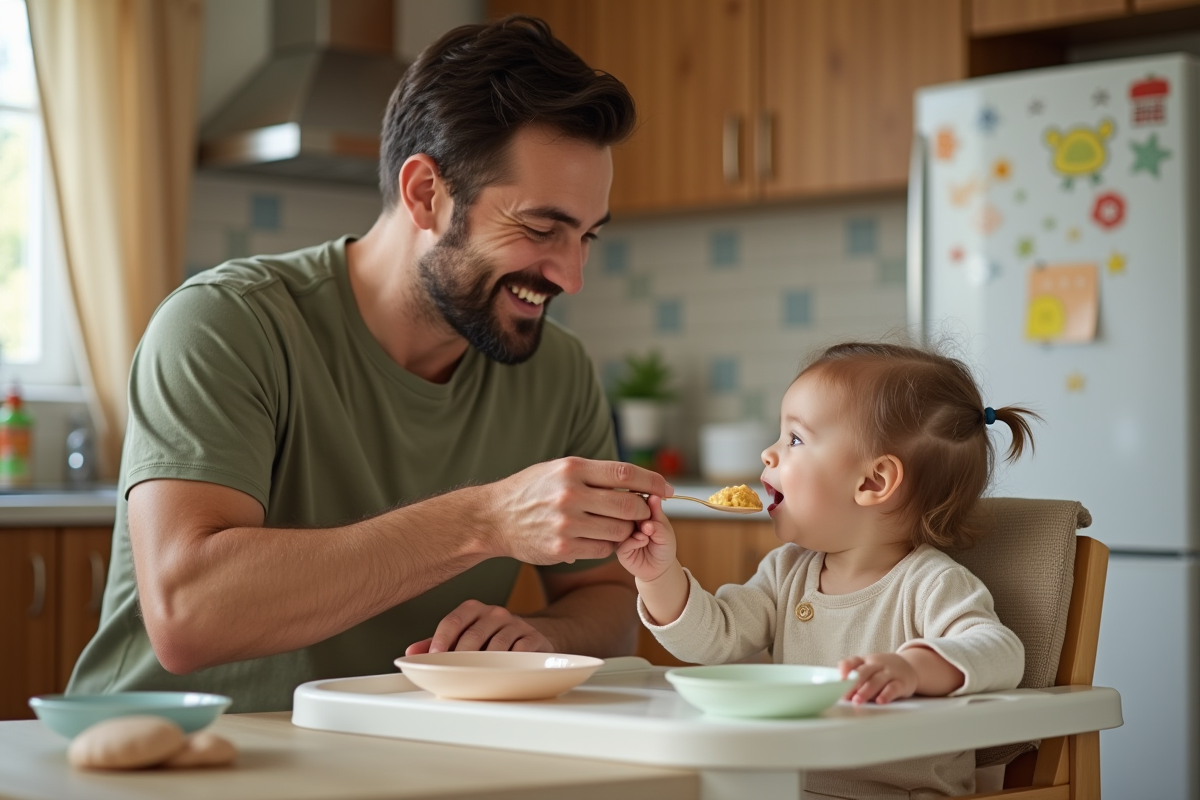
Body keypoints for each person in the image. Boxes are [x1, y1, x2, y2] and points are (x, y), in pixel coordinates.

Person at [68, 16, 672, 713]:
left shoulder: (557, 372)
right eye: (541, 228)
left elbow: (609, 603)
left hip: (383, 744)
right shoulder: (226, 324)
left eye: (587, 236)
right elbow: (189, 615)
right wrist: (484, 520)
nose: (571, 276)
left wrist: (544, 636)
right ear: (425, 194)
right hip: (166, 750)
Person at [617, 341, 1036, 799]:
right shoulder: (786, 572)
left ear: (873, 481)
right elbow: (712, 637)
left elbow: (1001, 652)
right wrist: (658, 575)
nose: (768, 453)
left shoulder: (930, 583)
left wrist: (913, 668)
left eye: (794, 439)